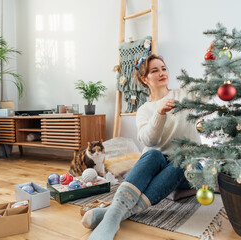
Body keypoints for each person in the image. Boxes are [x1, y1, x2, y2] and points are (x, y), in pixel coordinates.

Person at [83, 54, 201, 240]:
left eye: (163, 68)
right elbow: (149, 141)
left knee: (182, 158)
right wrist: (159, 113)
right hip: (160, 167)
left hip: (186, 167)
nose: (162, 73)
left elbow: (209, 87)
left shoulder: (183, 95)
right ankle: (114, 215)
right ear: (145, 79)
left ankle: (113, 214)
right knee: (153, 154)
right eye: (155, 70)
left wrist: (212, 59)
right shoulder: (144, 110)